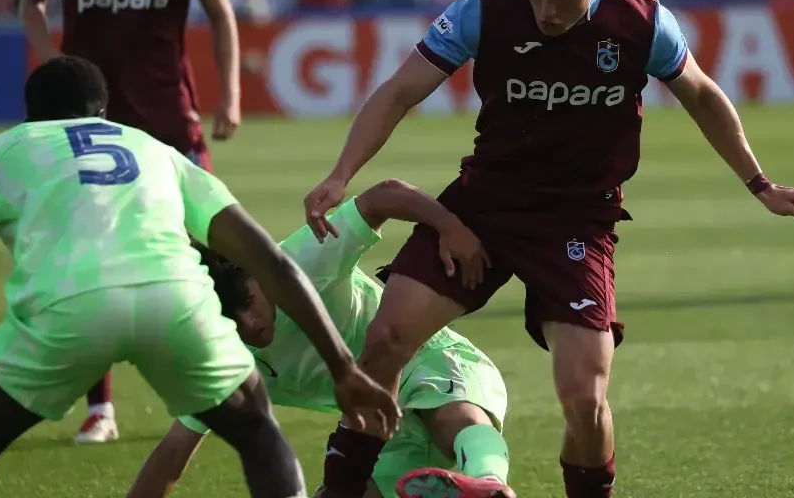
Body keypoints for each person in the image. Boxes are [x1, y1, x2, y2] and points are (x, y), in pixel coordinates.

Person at [302, 0, 794, 498]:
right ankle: (341, 491)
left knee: (585, 399)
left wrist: (761, 184)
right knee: (384, 340)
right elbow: (400, 91)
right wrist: (341, 174)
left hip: (577, 219)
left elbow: (703, 96)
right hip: (484, 204)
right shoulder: (483, 9)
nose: (546, 10)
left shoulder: (642, 22)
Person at [0, 56, 399, 498]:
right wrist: (342, 366)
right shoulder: (155, 150)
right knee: (257, 431)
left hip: (67, 305)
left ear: (31, 117)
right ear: (102, 112)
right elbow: (271, 262)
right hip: (178, 301)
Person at [19, 0, 243, 443]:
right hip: (90, 119)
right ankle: (101, 409)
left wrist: (229, 95)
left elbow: (220, 12)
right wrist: (57, 72)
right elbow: (31, 0)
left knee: (216, 243)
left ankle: (232, 385)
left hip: (170, 113)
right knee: (92, 250)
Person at [127, 179, 515, 498]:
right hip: (378, 431)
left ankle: (489, 483)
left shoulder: (300, 262)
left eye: (247, 302)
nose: (249, 324)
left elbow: (383, 196)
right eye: (230, 321)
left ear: (255, 270)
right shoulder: (223, 358)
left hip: (430, 359)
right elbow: (173, 453)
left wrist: (448, 225)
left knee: (448, 417)